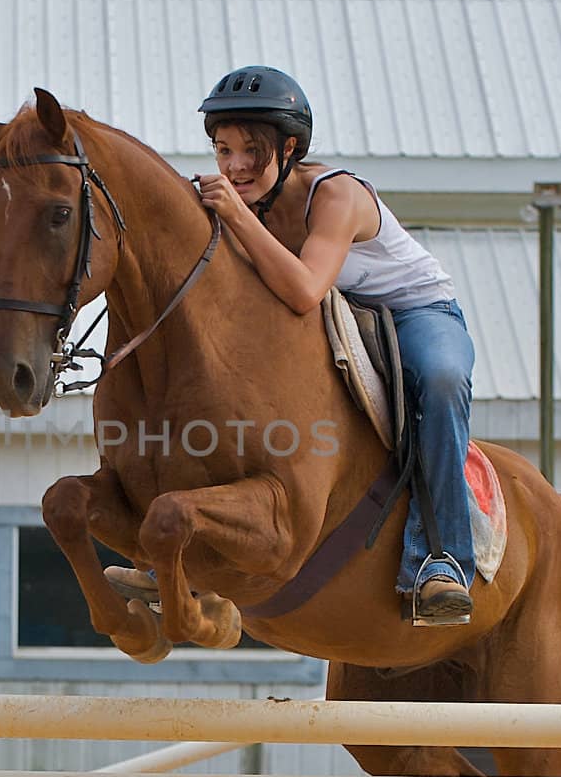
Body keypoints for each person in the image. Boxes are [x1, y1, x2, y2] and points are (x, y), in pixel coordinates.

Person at [193, 66, 476, 626]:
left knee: (441, 379)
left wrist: (231, 215)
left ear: (290, 148)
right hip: (336, 311)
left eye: (253, 150)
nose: (236, 165)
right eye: (224, 150)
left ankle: (444, 560)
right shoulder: (238, 199)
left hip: (414, 310)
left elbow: (301, 288)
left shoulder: (337, 194)